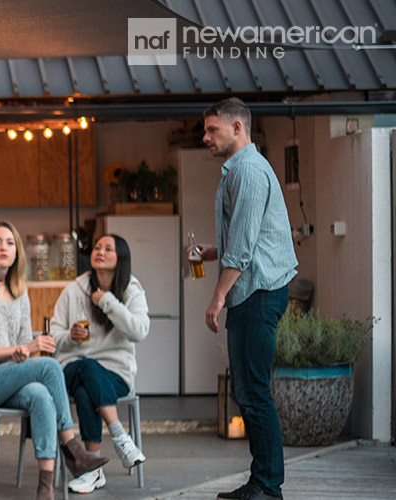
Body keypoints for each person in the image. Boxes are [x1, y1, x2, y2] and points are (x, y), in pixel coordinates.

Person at [189, 97, 297, 500]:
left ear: (238, 128)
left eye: (212, 129)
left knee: (253, 390)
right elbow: (243, 237)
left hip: (257, 293)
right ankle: (261, 481)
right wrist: (211, 252)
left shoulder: (248, 171)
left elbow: (245, 247)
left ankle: (268, 487)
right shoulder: (239, 170)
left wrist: (217, 298)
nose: (206, 137)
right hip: (254, 291)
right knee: (248, 390)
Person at [0, 221, 110, 499]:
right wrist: (21, 349)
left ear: (18, 252)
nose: (3, 247)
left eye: (10, 242)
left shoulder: (20, 293)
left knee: (41, 394)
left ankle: (45, 487)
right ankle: (73, 449)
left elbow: (25, 346)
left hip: (14, 379)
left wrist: (25, 349)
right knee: (50, 365)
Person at [49, 234, 150, 494]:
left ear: (121, 258)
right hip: (73, 365)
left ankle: (93, 471)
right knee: (88, 367)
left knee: (86, 391)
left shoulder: (131, 289)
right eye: (97, 247)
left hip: (115, 373)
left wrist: (107, 301)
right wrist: (69, 336)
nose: (100, 252)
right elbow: (52, 337)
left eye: (108, 249)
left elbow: (139, 331)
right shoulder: (74, 289)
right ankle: (119, 437)